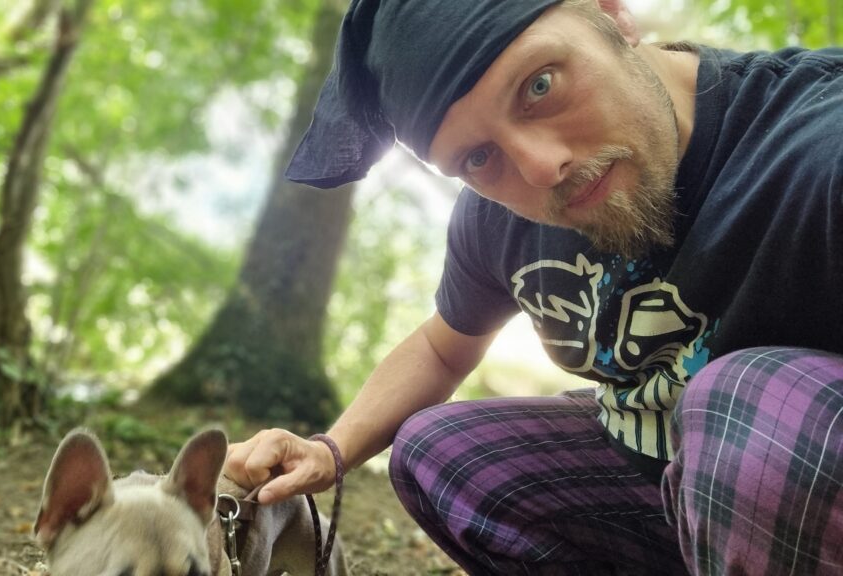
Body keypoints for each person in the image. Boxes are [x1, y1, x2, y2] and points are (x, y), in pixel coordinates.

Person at [224, 0, 843, 573]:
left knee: (751, 401)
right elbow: (444, 347)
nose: (541, 167)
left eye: (539, 85)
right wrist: (330, 451)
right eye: (476, 157)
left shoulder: (816, 146)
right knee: (440, 449)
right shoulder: (498, 217)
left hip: (801, 481)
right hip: (668, 486)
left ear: (611, 13)